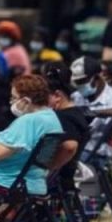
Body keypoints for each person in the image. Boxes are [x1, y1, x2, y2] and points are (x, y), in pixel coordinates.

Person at [0, 74, 63, 202]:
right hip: (32, 182)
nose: (11, 102)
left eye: (14, 98)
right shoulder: (51, 118)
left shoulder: (28, 121)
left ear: (26, 101)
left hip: (5, 182)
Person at [70, 57, 112, 163]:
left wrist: (96, 112)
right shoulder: (76, 96)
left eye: (82, 82)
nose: (79, 86)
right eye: (77, 83)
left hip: (95, 153)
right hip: (74, 150)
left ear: (96, 78)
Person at [41, 62, 90, 190]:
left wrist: (49, 169)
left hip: (57, 179)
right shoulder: (76, 112)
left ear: (57, 95)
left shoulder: (63, 118)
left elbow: (69, 147)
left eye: (43, 96)